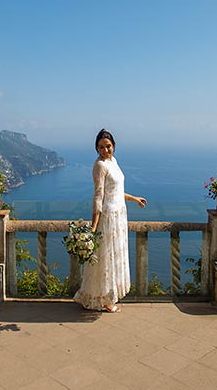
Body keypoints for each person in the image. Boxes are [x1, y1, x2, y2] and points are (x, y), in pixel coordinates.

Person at [73, 129, 147, 312]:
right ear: (96, 148)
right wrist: (94, 226)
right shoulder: (100, 166)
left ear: (114, 146)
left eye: (108, 146)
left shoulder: (113, 162)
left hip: (119, 215)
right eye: (101, 147)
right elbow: (99, 196)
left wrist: (134, 198)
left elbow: (115, 191)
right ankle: (104, 300)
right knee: (106, 258)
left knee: (114, 256)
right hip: (108, 218)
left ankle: (108, 297)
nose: (105, 150)